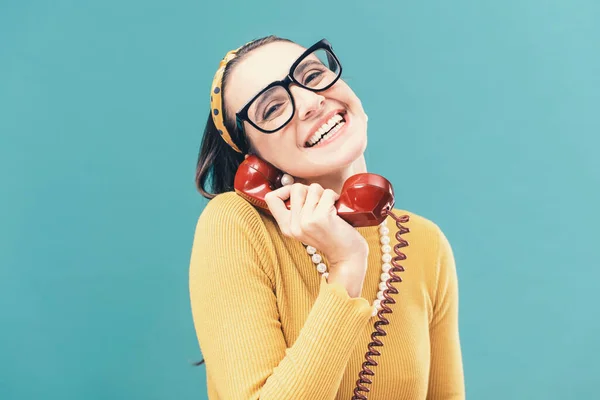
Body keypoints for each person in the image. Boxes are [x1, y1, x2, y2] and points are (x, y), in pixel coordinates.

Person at [189, 35, 465, 399]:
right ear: (253, 159)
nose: (309, 101)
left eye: (313, 74)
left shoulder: (425, 242)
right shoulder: (235, 224)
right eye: (272, 109)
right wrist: (347, 266)